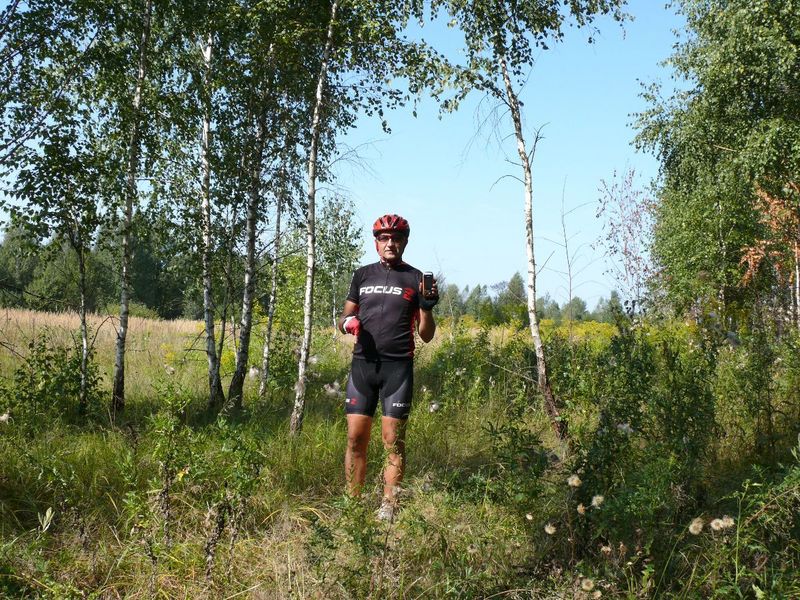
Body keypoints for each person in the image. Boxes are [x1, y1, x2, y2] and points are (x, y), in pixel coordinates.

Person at [338, 213, 438, 521]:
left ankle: (389, 506)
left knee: (393, 442)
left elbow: (426, 335)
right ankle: (353, 505)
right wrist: (348, 324)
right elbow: (343, 318)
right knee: (355, 439)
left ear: (405, 241)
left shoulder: (415, 278)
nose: (390, 243)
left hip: (398, 369)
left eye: (396, 238)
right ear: (376, 242)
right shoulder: (362, 275)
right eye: (384, 238)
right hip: (363, 367)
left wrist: (426, 308)